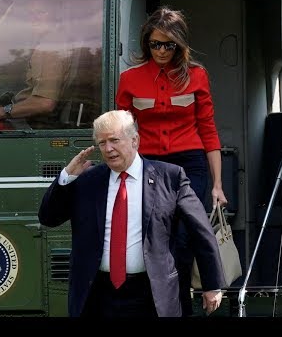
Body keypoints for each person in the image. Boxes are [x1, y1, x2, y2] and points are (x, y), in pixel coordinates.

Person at [38, 110, 225, 317]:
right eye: (102, 143)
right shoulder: (88, 180)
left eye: (114, 140)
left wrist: (212, 284)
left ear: (135, 140)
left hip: (152, 295)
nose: (108, 149)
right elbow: (48, 217)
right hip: (98, 295)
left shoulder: (170, 177)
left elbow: (201, 231)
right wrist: (66, 177)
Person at [115, 5, 228, 316]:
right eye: (155, 44)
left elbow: (208, 129)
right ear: (146, 43)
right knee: (155, 239)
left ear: (179, 44)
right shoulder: (130, 79)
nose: (162, 51)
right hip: (148, 164)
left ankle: (183, 306)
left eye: (168, 45)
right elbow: (122, 133)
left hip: (190, 165)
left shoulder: (197, 76)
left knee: (186, 237)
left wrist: (217, 184)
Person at [0, 0, 74, 130]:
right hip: (28, 122)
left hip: (28, 125)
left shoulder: (49, 49)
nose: (33, 18)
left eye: (41, 12)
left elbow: (45, 102)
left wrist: (2, 111)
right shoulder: (59, 42)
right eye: (31, 13)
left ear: (57, 15)